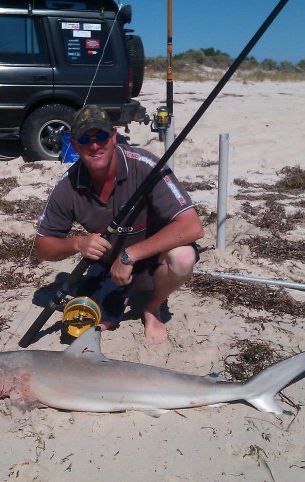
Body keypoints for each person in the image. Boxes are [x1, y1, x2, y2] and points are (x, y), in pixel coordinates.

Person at [34, 105, 203, 344]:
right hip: (107, 265)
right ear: (73, 144)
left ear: (113, 136)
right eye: (85, 139)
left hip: (152, 257)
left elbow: (192, 226)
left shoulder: (145, 164)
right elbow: (41, 247)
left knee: (183, 258)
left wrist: (129, 255)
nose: (94, 145)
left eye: (101, 136)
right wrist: (76, 243)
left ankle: (152, 307)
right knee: (94, 326)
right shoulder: (66, 186)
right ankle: (122, 295)